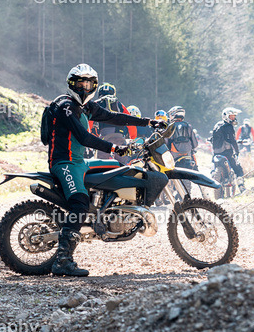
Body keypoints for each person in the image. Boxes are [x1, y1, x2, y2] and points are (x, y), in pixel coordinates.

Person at [43, 64, 164, 276]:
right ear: (72, 84)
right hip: (64, 163)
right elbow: (83, 137)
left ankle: (103, 213)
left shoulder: (86, 107)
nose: (84, 88)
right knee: (79, 202)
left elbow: (114, 117)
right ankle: (62, 260)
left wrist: (149, 122)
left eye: (88, 84)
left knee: (119, 169)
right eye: (80, 83)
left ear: (94, 86)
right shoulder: (66, 105)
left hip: (79, 161)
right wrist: (114, 147)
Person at [91, 83, 134, 162]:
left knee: (101, 163)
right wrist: (132, 138)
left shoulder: (96, 104)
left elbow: (89, 121)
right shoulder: (119, 104)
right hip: (119, 136)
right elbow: (130, 121)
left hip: (104, 136)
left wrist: (88, 135)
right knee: (122, 163)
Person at [210, 107, 244, 192]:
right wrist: (237, 151)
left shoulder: (217, 125)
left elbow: (213, 138)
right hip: (227, 153)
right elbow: (232, 140)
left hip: (216, 153)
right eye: (231, 116)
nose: (233, 118)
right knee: (238, 169)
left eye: (234, 116)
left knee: (213, 166)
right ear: (226, 116)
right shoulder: (229, 127)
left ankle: (213, 175)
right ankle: (242, 187)